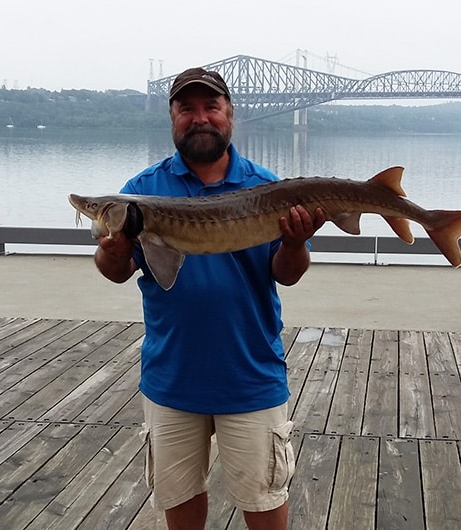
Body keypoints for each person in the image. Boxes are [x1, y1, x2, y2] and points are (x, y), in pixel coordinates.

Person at [93, 67, 326, 530]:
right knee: (179, 502)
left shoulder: (266, 186)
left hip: (250, 373)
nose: (200, 117)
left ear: (229, 115)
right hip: (172, 376)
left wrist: (297, 243)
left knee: (264, 503)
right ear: (173, 118)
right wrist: (113, 248)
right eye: (187, 108)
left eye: (210, 107)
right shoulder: (141, 191)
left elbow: (287, 274)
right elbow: (116, 272)